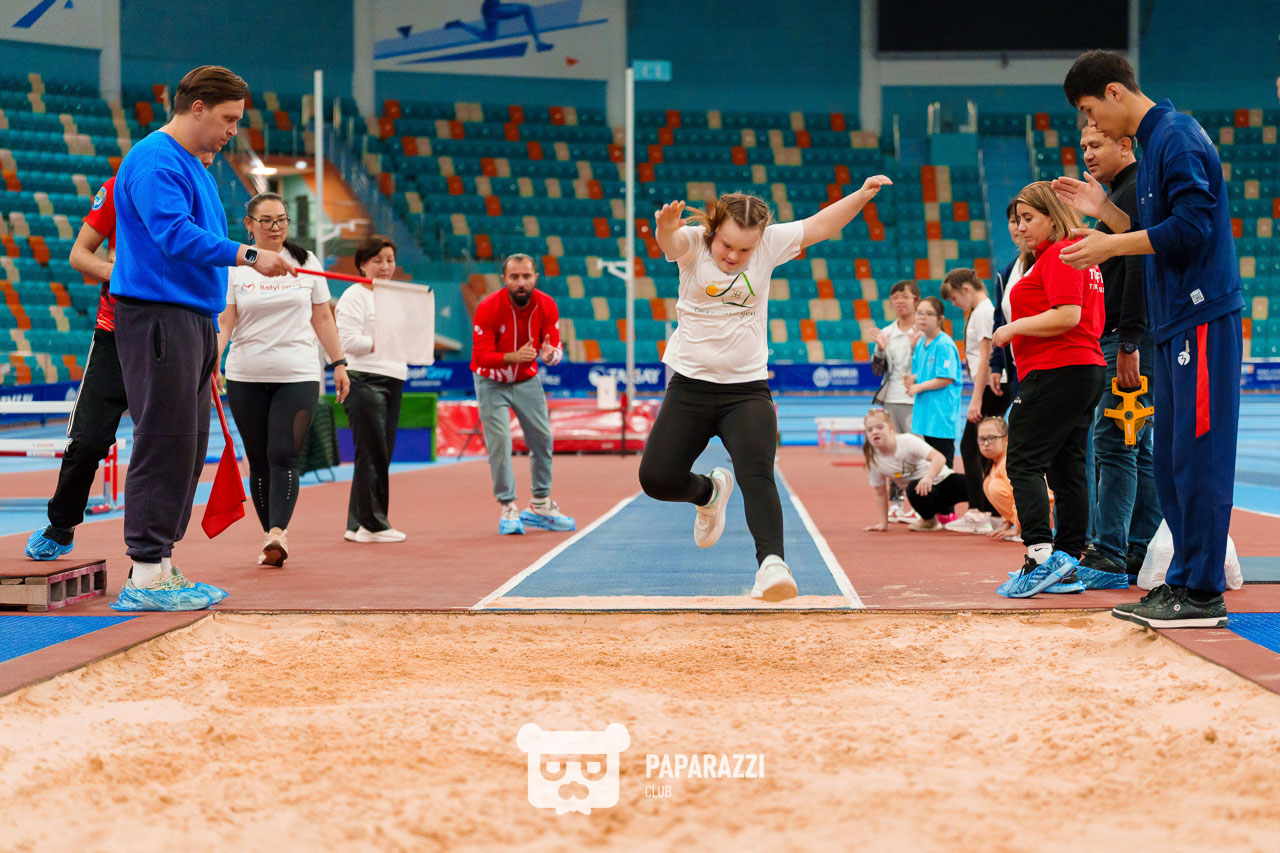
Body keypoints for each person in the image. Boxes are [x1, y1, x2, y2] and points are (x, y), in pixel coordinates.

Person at [640, 178, 891, 602]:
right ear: (714, 231)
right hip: (690, 387)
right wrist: (664, 226)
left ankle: (772, 564)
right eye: (727, 246)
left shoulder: (770, 244)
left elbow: (822, 226)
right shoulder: (694, 245)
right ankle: (708, 492)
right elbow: (670, 241)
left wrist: (863, 193)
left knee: (757, 474)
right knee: (657, 479)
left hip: (746, 391)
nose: (734, 257)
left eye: (745, 250)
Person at [1060, 50, 1243, 628]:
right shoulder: (1160, 142)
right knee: (1169, 460)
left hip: (1202, 314)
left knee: (1200, 457)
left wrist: (1111, 243)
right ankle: (1183, 580)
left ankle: (1204, 591)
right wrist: (1106, 214)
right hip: (1175, 321)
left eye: (1090, 112)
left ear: (1115, 93)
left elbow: (1192, 228)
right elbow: (1153, 232)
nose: (1090, 127)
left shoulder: (1178, 137)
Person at [109, 65, 296, 612]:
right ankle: (144, 573)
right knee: (164, 441)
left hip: (191, 318)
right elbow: (173, 235)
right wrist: (251, 254)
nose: (234, 129)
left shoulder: (194, 165)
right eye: (229, 118)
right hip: (159, 315)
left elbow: (199, 237)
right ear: (196, 108)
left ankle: (162, 565)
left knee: (188, 447)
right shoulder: (154, 159)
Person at [214, 193, 350, 567]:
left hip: (299, 374)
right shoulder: (236, 267)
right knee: (258, 460)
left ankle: (278, 531)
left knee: (283, 454)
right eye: (267, 221)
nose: (275, 228)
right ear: (249, 224)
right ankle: (269, 535)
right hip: (246, 374)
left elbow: (323, 317)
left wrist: (338, 362)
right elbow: (227, 321)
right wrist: (215, 357)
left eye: (282, 220)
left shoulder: (306, 262)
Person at [1055, 124, 1162, 586]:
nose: (1087, 154)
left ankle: (1110, 552)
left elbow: (1141, 262)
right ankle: (1138, 549)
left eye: (1095, 144)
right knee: (1136, 448)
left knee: (1116, 444)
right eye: (1082, 146)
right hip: (1125, 333)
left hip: (1130, 335)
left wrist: (1131, 339)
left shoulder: (1136, 189)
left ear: (1125, 144)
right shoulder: (1123, 191)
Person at [991, 182, 1105, 598]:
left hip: (1058, 369)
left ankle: (1040, 558)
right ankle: (1068, 561)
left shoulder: (1059, 253)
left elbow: (1068, 315)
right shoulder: (1075, 254)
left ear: (1052, 217)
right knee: (1066, 466)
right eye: (1017, 219)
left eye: (1028, 218)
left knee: (1023, 462)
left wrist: (1012, 328)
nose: (1020, 227)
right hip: (1082, 369)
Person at [470, 252, 575, 535]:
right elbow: (480, 357)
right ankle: (508, 508)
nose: (520, 283)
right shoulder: (488, 307)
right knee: (500, 443)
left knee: (542, 439)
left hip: (527, 380)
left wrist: (551, 355)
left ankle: (540, 504)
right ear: (503, 279)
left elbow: (554, 350)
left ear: (535, 278)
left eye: (526, 277)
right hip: (490, 381)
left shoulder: (547, 305)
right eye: (514, 277)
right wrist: (513, 357)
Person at [336, 234, 408, 543]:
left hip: (393, 377)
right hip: (363, 379)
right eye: (377, 260)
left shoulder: (397, 297)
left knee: (380, 452)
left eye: (389, 260)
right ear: (363, 265)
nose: (385, 266)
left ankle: (357, 525)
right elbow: (347, 341)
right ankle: (373, 524)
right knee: (373, 452)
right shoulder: (354, 296)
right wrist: (383, 342)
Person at [941, 268, 1005, 534]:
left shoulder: (982, 313)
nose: (956, 305)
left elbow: (986, 358)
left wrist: (975, 399)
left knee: (971, 445)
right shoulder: (981, 312)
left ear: (966, 289)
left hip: (990, 387)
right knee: (984, 447)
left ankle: (980, 510)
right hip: (990, 386)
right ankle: (991, 510)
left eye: (955, 299)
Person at [861, 408, 968, 533]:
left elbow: (939, 458)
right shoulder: (874, 459)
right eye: (870, 430)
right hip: (924, 495)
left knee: (978, 485)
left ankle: (992, 516)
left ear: (890, 428)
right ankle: (929, 521)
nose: (874, 432)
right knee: (913, 487)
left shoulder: (906, 441)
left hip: (945, 481)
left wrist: (928, 477)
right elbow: (880, 492)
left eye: (880, 427)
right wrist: (883, 524)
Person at [868, 279, 921, 524]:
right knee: (892, 452)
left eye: (904, 297)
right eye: (895, 298)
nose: (899, 301)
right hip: (891, 400)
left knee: (915, 453)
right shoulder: (887, 332)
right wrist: (880, 350)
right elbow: (878, 371)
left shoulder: (922, 331)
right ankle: (897, 504)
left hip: (916, 400)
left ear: (915, 301)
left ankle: (920, 505)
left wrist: (914, 348)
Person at [904, 296, 961, 473]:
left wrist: (917, 387)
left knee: (942, 471)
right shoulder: (921, 343)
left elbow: (946, 378)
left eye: (928, 314)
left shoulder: (944, 345)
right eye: (919, 313)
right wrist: (912, 379)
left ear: (940, 319)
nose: (922, 317)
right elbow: (921, 373)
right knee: (927, 469)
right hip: (925, 417)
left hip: (940, 419)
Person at [988, 202, 1027, 407]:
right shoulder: (1005, 274)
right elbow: (999, 321)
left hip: (1042, 366)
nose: (1017, 227)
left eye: (1023, 220)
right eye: (1013, 221)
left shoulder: (1044, 264)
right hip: (1016, 368)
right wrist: (996, 365)